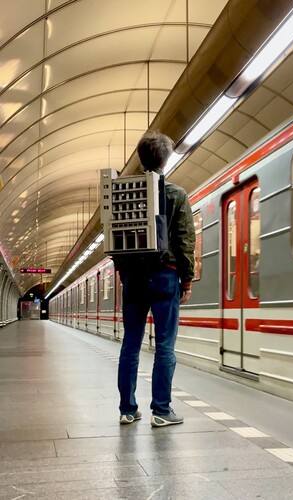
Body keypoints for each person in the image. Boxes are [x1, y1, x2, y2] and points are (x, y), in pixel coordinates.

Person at [117, 131, 196, 427]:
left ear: (141, 158)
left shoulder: (123, 194)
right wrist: (187, 280)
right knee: (164, 346)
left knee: (130, 344)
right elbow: (185, 241)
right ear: (166, 159)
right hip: (166, 277)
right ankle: (161, 411)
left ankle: (127, 409)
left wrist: (125, 274)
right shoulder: (177, 194)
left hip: (134, 279)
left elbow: (116, 240)